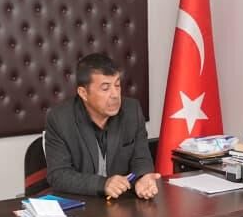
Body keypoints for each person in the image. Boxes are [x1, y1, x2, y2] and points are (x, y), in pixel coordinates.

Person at [44, 52, 158, 199]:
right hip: (82, 204)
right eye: (105, 88)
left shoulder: (132, 111)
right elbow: (58, 175)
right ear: (83, 93)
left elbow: (141, 158)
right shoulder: (60, 119)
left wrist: (143, 177)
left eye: (117, 85)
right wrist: (102, 184)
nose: (115, 95)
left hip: (122, 203)